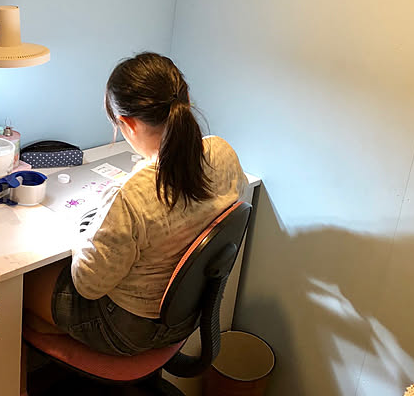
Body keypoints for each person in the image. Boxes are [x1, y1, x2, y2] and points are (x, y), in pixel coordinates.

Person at [23, 52, 247, 356]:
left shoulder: (131, 195)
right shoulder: (222, 151)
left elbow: (88, 285)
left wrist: (84, 234)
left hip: (132, 331)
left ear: (127, 124)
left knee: (20, 287)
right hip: (189, 316)